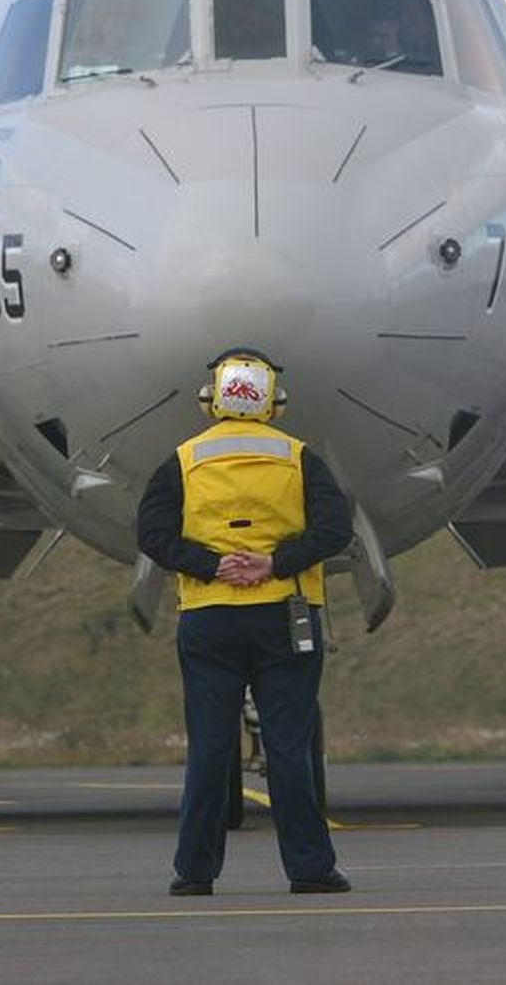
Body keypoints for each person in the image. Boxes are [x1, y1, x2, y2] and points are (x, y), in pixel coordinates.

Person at [138, 347, 354, 896]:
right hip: (287, 615)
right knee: (289, 746)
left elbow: (154, 537)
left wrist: (213, 565)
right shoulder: (298, 457)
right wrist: (274, 563)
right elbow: (335, 530)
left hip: (210, 618)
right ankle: (309, 869)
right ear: (273, 401)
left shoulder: (183, 461)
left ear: (211, 399)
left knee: (209, 749)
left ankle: (194, 873)